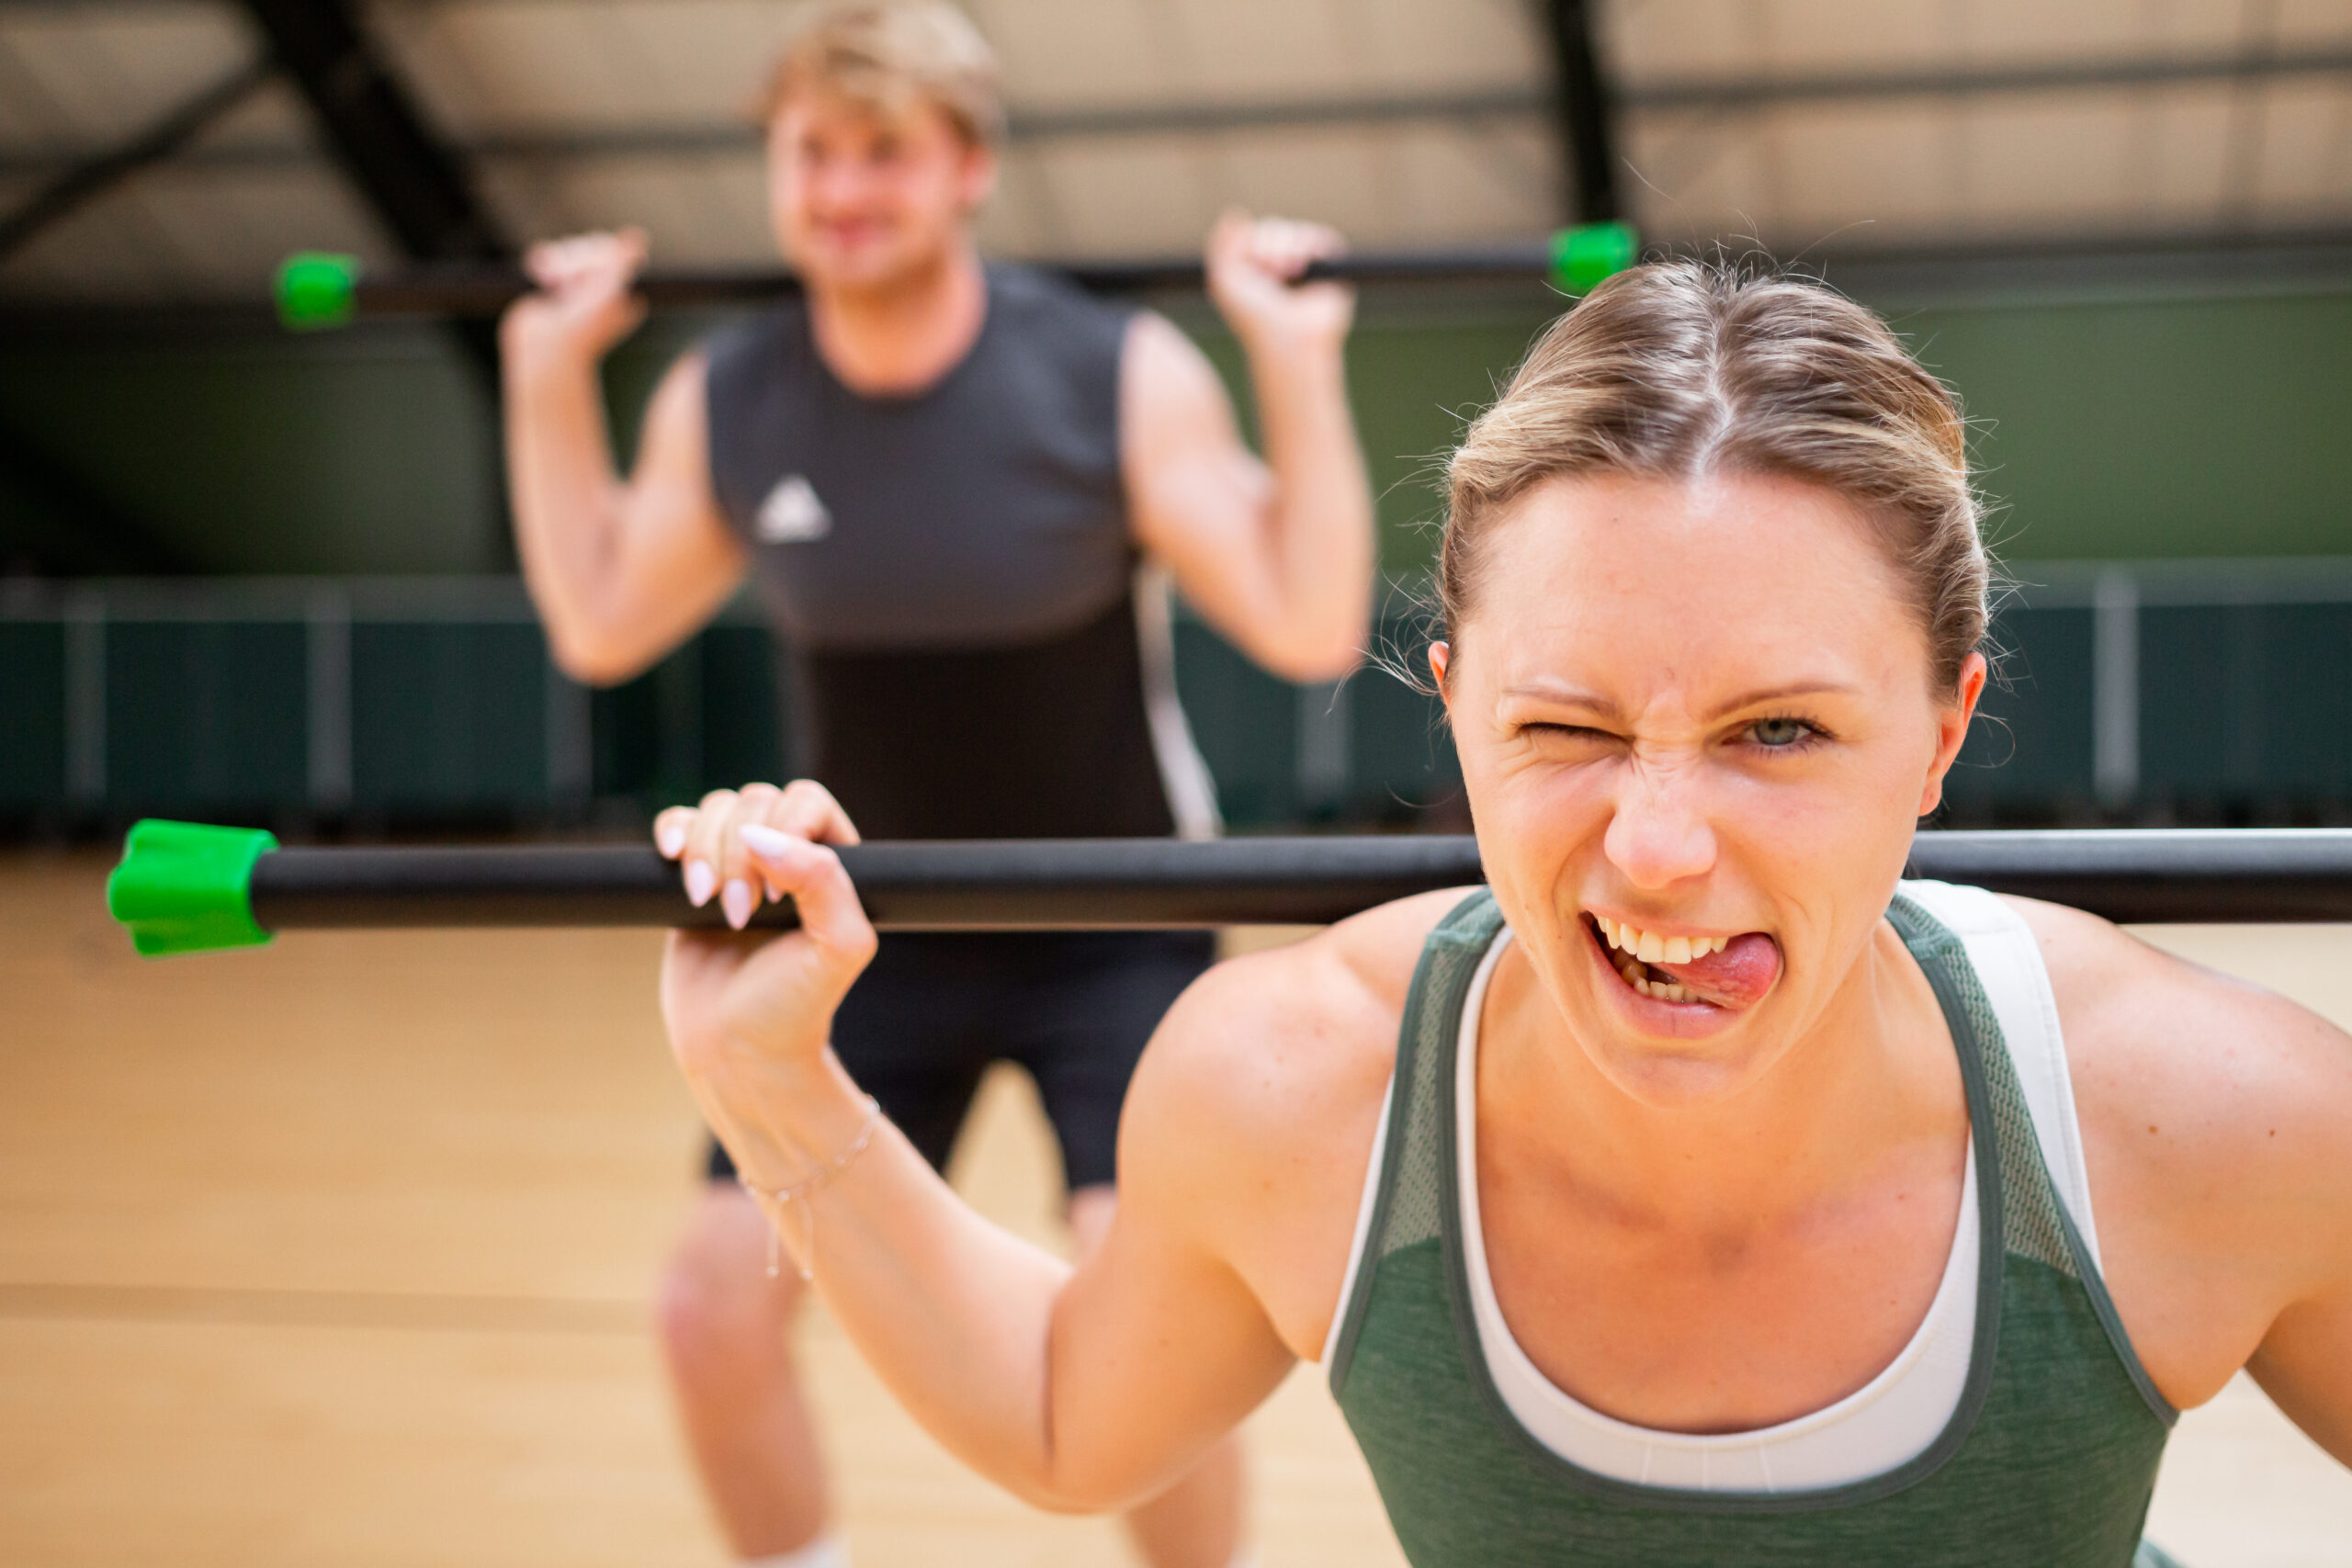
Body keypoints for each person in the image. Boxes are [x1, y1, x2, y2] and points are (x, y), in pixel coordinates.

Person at [652, 261, 2352, 1565]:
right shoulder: (1297, 1082)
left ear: (1942, 735)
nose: (1662, 847)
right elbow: (1061, 1418)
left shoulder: (2209, 1114)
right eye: (1566, 728)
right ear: (1454, 712)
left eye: (1781, 731)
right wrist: (773, 1082)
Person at [496, 3, 1375, 1563]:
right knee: (710, 1307)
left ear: (968, 166)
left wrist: (1292, 359)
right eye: (811, 155)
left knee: (1142, 1338)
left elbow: (1308, 626)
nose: (843, 191)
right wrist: (547, 376)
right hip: (863, 933)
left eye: (884, 154)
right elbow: (602, 614)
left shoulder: (1110, 372)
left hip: (1112, 929)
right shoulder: (736, 394)